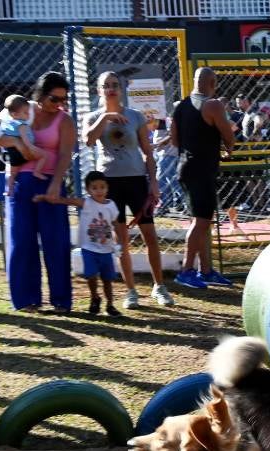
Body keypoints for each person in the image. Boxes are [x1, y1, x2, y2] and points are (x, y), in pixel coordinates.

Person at [84, 71, 173, 308]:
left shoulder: (135, 116)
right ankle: (131, 291)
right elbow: (89, 140)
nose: (111, 89)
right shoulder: (92, 117)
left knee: (150, 235)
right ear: (99, 90)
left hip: (136, 181)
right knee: (121, 240)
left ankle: (159, 286)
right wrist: (106, 117)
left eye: (115, 85)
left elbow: (148, 152)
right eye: (106, 85)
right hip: (109, 185)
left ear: (121, 89)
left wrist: (153, 182)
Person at [0, 71, 74, 313]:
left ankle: (61, 300)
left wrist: (57, 182)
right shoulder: (21, 109)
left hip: (49, 180)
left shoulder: (64, 120)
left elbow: (65, 154)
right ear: (40, 95)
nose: (59, 105)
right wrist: (15, 143)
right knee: (21, 240)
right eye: (54, 99)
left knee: (56, 242)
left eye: (63, 100)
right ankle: (26, 300)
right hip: (20, 182)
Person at [170, 67, 236, 290]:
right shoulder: (214, 105)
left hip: (185, 167)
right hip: (202, 169)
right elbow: (229, 137)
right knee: (200, 222)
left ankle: (206, 270)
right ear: (212, 83)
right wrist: (225, 146)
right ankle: (186, 270)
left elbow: (174, 140)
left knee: (203, 219)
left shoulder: (180, 106)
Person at [40, 171, 121, 316]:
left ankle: (110, 304)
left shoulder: (112, 206)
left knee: (108, 279)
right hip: (89, 249)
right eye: (94, 188)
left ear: (107, 187)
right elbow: (66, 201)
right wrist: (47, 197)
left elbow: (116, 224)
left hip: (107, 250)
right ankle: (94, 298)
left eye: (102, 187)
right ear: (88, 190)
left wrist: (119, 243)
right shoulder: (86, 203)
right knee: (91, 276)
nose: (99, 191)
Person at [0, 93, 46, 195]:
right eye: (26, 113)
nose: (29, 115)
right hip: (25, 149)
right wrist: (31, 147)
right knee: (44, 155)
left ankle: (9, 189)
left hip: (12, 153)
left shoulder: (7, 122)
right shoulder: (22, 125)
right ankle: (37, 172)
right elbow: (25, 139)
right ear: (15, 114)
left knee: (12, 173)